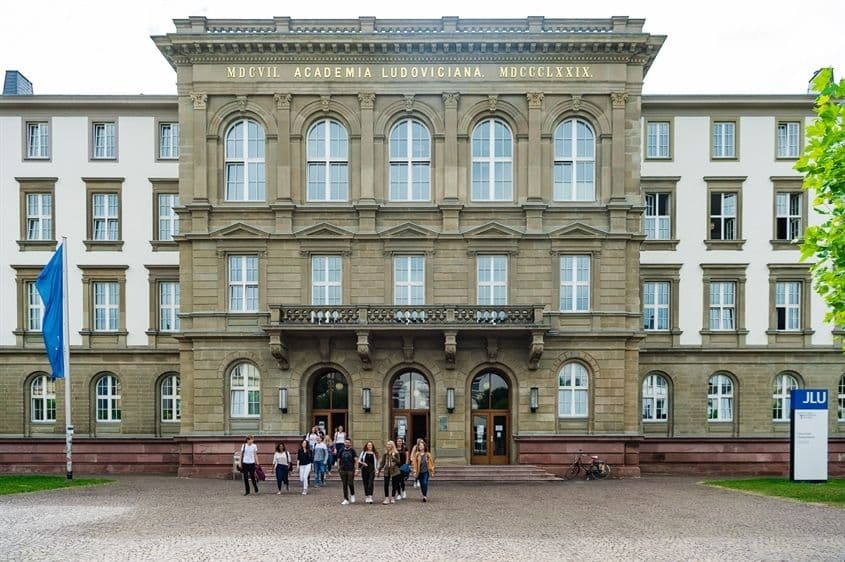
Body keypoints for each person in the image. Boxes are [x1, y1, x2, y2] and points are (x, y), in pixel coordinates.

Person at [337, 438, 364, 505]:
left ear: (350, 444)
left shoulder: (352, 450)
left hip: (350, 469)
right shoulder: (341, 450)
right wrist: (338, 468)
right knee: (344, 484)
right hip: (342, 469)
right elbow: (338, 459)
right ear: (344, 443)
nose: (347, 443)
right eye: (346, 442)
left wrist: (357, 469)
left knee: (350, 483)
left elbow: (356, 460)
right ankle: (346, 499)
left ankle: (352, 494)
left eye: (348, 442)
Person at [377, 440, 402, 505]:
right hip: (387, 470)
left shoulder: (396, 453)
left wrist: (393, 457)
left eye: (389, 444)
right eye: (387, 444)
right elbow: (382, 462)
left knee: (394, 484)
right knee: (386, 484)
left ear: (392, 446)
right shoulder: (385, 454)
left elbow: (399, 462)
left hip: (395, 471)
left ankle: (393, 497)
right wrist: (379, 470)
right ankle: (386, 498)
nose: (388, 446)